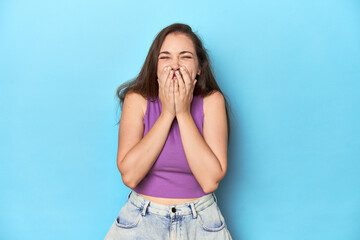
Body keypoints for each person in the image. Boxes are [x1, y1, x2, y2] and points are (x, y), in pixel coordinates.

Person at [105, 23, 232, 240]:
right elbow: (130, 175)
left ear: (199, 68)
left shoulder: (212, 102)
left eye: (185, 57)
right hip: (141, 220)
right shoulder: (137, 100)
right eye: (165, 57)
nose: (175, 65)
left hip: (200, 221)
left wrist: (182, 112)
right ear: (155, 66)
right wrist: (167, 114)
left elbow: (210, 180)